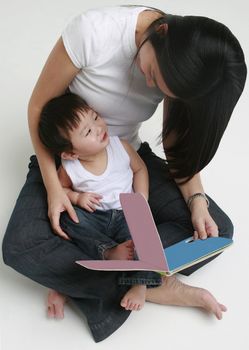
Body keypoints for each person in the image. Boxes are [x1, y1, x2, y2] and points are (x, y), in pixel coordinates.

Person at [2, 5, 246, 343]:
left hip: (127, 160)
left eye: (161, 87)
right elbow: (38, 107)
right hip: (73, 166)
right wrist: (56, 188)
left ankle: (85, 278)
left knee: (216, 231)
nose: (149, 84)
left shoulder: (181, 67)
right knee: (19, 247)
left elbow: (174, 144)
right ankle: (157, 283)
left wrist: (197, 200)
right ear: (160, 33)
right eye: (153, 73)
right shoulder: (94, 32)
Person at [38, 92, 162, 311]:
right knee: (68, 219)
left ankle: (141, 284)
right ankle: (107, 252)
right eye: (87, 131)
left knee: (145, 236)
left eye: (95, 117)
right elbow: (61, 190)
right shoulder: (70, 168)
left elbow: (140, 169)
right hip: (95, 217)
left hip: (126, 212)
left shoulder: (120, 146)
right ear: (70, 153)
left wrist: (141, 199)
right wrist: (77, 197)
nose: (98, 128)